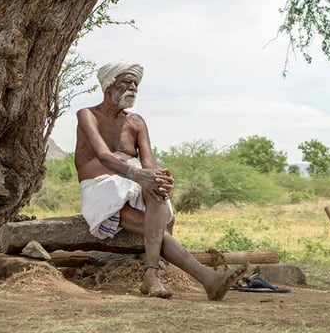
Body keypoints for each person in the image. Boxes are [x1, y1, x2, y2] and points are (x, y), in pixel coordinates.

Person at [75, 60, 246, 300]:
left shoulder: (136, 122)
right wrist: (138, 174)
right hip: (100, 187)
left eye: (136, 83)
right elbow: (103, 156)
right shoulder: (87, 115)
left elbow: (149, 162)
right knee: (150, 212)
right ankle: (203, 277)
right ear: (109, 86)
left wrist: (159, 176)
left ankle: (153, 275)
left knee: (155, 187)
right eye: (127, 81)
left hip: (133, 185)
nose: (133, 87)